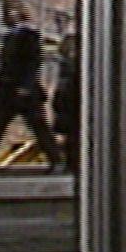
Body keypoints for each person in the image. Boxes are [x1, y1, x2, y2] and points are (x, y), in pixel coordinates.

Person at [0, 0, 62, 173]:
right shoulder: (10, 36)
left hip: (24, 93)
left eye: (9, 11)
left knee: (38, 127)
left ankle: (56, 160)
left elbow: (33, 63)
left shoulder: (29, 35)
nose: (6, 15)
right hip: (7, 91)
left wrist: (26, 87)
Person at [50, 31, 78, 173]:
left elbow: (63, 89)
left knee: (71, 138)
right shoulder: (70, 66)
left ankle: (69, 163)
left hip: (69, 106)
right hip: (70, 107)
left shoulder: (69, 67)